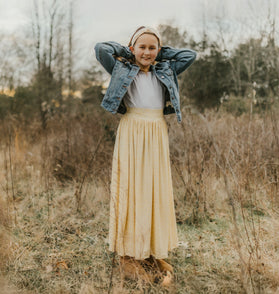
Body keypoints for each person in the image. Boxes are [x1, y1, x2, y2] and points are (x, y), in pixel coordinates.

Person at [94, 26, 196, 284]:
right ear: (132, 49)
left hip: (156, 132)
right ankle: (129, 253)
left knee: (154, 190)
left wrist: (159, 54)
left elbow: (189, 55)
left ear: (158, 51)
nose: (147, 52)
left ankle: (150, 250)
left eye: (152, 48)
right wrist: (128, 51)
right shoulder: (122, 69)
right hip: (132, 130)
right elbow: (101, 49)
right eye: (142, 47)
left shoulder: (166, 70)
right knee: (132, 189)